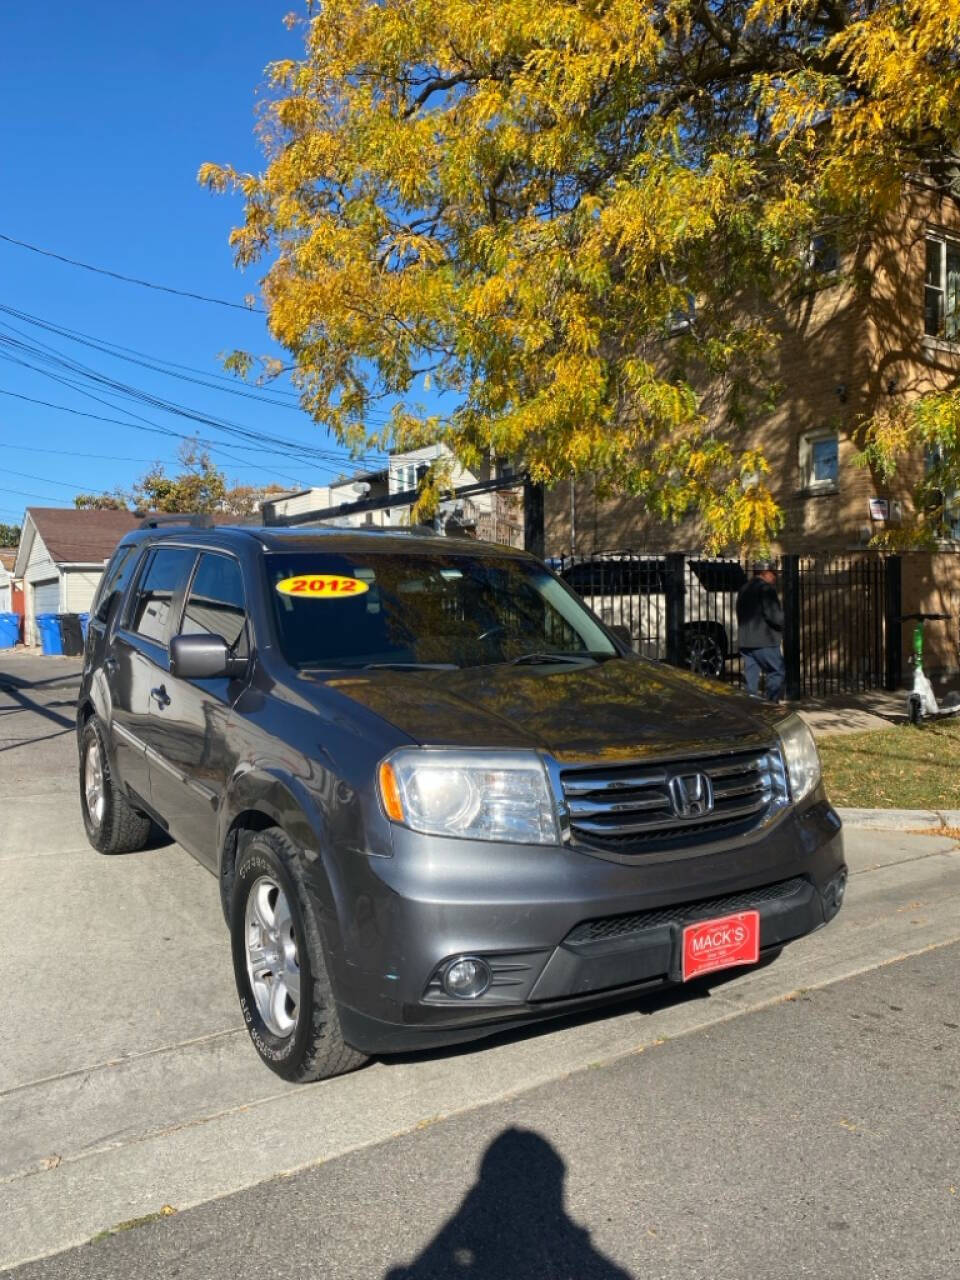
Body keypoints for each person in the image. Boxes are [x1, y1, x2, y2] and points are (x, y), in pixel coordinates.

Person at [737, 560, 785, 700]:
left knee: (751, 677)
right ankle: (770, 707)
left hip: (746, 641)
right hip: (764, 640)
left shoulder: (744, 588)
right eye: (773, 573)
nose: (775, 577)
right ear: (765, 573)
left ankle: (750, 707)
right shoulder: (766, 588)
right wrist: (784, 622)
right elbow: (774, 615)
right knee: (776, 671)